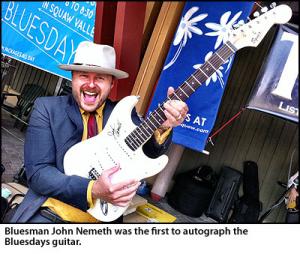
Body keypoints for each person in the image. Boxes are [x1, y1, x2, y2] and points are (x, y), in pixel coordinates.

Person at [10, 41, 188, 223]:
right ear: (73, 78)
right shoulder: (47, 109)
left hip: (104, 219)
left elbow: (149, 153)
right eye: (83, 76)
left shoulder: (123, 112)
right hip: (51, 214)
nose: (91, 84)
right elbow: (39, 174)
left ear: (112, 84)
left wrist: (164, 125)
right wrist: (92, 189)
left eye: (101, 78)